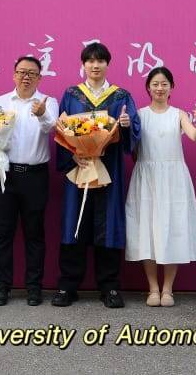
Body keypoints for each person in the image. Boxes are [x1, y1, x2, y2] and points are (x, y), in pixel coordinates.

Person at [52, 42, 140, 309]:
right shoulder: (72, 94)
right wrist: (72, 156)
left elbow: (133, 133)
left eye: (100, 60)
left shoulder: (120, 96)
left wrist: (126, 125)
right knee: (75, 223)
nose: (95, 65)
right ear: (83, 65)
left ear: (107, 64)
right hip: (79, 169)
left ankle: (109, 286)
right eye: (90, 60)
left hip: (108, 169)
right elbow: (61, 130)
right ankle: (68, 286)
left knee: (108, 225)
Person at [125, 66, 196, 307]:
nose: (160, 88)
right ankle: (153, 288)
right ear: (148, 88)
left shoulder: (179, 114)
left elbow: (195, 136)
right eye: (155, 84)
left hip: (174, 178)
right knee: (146, 231)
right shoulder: (139, 115)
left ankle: (168, 289)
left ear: (172, 87)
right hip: (147, 177)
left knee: (173, 230)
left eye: (164, 84)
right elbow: (133, 149)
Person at [0, 56, 58, 307]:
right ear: (14, 74)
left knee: (34, 234)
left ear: (39, 78)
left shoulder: (48, 102)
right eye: (22, 72)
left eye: (32, 73)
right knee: (2, 234)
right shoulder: (0, 102)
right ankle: (2, 286)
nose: (26, 77)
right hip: (6, 175)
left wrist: (42, 114)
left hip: (36, 176)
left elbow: (52, 129)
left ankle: (34, 288)